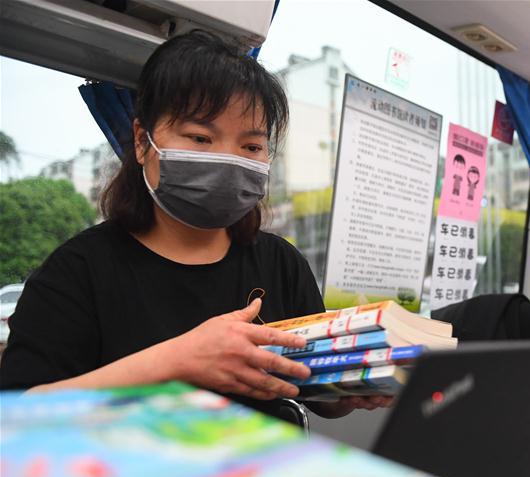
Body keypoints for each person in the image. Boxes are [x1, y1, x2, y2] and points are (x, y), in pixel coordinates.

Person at [0, 31, 388, 419]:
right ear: (141, 140)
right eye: (201, 137)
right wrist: (176, 361)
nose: (227, 159)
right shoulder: (78, 271)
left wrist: (352, 386)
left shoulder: (281, 264)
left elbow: (312, 393)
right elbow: (16, 414)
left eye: (251, 146)